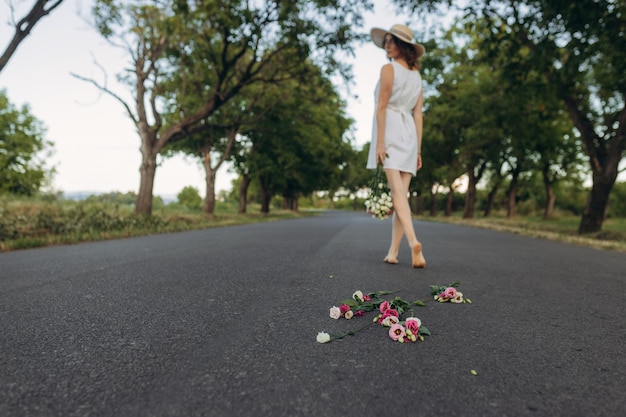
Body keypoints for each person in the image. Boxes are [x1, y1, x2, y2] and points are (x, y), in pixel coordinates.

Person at [366, 23, 426, 268]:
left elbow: (382, 106)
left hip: (390, 129)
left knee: (398, 195)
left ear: (403, 46)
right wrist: (418, 148)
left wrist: (380, 143)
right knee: (401, 195)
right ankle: (393, 252)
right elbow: (419, 114)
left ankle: (413, 242)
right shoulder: (417, 76)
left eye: (391, 41)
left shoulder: (388, 69)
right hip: (409, 132)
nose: (386, 45)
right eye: (386, 41)